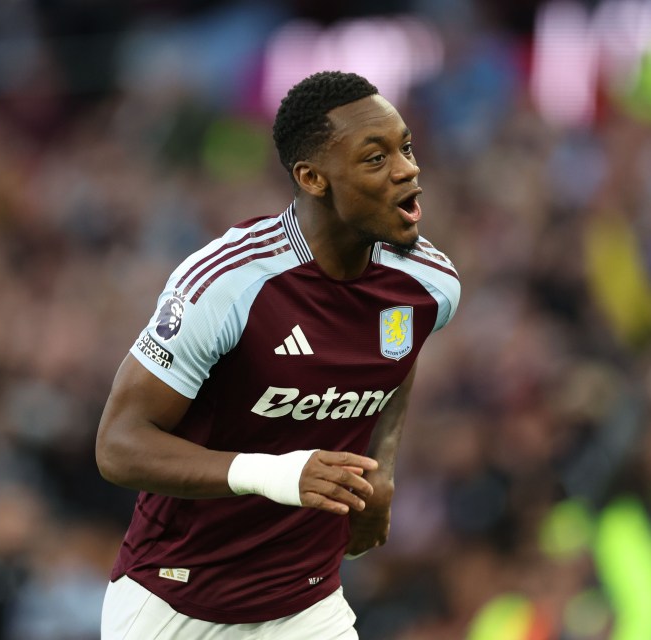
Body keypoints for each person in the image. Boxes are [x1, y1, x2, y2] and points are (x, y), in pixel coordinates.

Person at [95, 70, 461, 639]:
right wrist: (275, 475)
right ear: (313, 178)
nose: (407, 169)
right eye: (374, 158)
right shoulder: (227, 282)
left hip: (309, 607)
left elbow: (395, 361)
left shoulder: (429, 285)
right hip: (177, 602)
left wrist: (382, 467)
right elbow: (118, 445)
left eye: (406, 148)